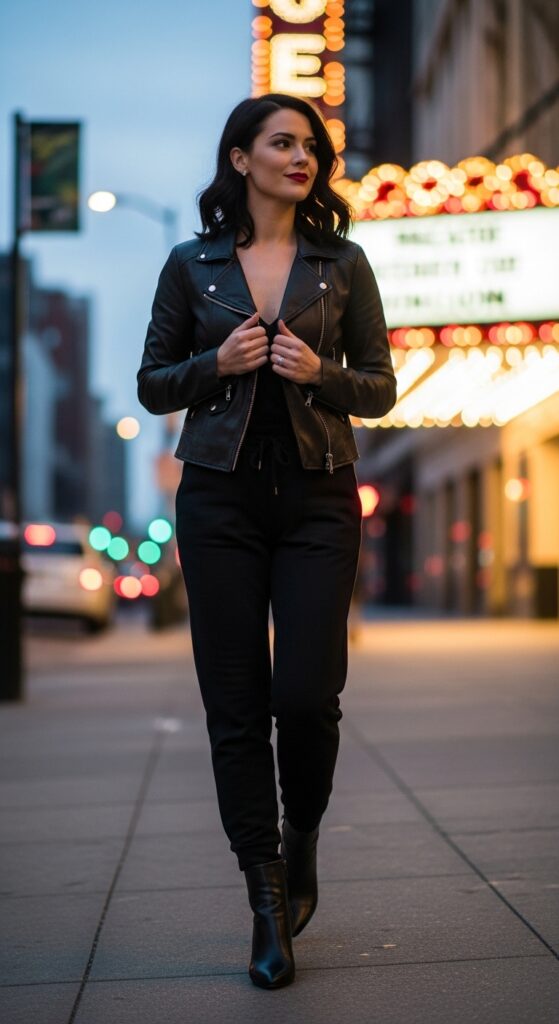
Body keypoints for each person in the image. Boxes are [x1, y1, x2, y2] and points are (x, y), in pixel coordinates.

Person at [137, 93, 396, 990]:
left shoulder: (343, 262)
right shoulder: (190, 264)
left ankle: (303, 834)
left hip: (320, 496)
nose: (302, 157)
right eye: (282, 143)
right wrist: (221, 364)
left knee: (307, 694)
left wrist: (317, 372)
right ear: (239, 158)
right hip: (220, 503)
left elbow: (379, 388)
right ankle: (264, 893)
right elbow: (151, 385)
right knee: (236, 704)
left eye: (311, 146)